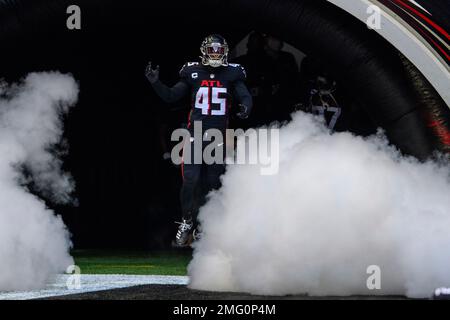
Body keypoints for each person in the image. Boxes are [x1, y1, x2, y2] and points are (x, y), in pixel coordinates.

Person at [145, 34, 253, 247]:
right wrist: (155, 83)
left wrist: (246, 107)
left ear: (225, 52)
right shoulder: (192, 71)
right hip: (196, 133)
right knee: (191, 180)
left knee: (212, 183)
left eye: (218, 50)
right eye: (211, 50)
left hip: (218, 136)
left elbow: (245, 95)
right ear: (204, 51)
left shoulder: (233, 72)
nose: (215, 54)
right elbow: (170, 96)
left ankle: (205, 224)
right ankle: (186, 220)